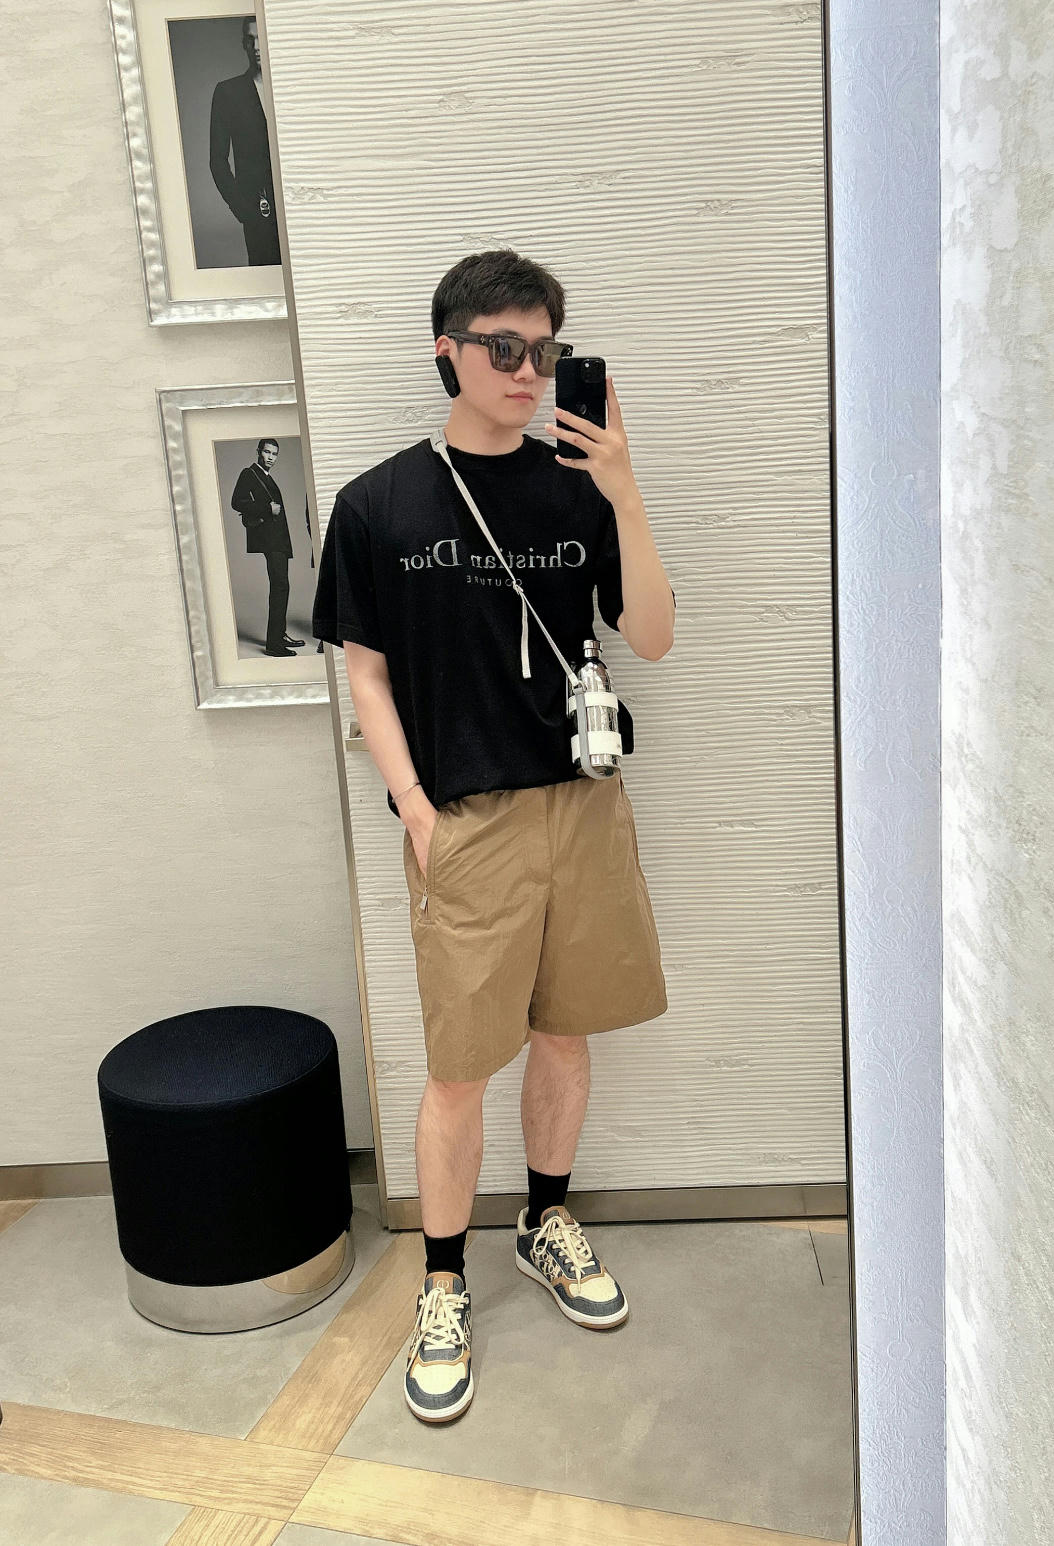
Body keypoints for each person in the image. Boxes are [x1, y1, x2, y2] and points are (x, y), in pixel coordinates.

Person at [311, 248, 676, 1424]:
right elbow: (364, 670)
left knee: (565, 1034)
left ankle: (546, 1219)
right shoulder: (378, 504)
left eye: (544, 350)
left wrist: (625, 489)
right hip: (463, 816)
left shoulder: (578, 487)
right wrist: (415, 806)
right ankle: (442, 1282)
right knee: (461, 1066)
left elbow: (653, 636)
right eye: (503, 348)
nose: (527, 371)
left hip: (582, 803)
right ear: (449, 352)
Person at [208, 17, 282, 268]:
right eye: (251, 40)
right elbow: (217, 161)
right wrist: (243, 211)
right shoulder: (228, 92)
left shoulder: (294, 87)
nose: (257, 46)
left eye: (261, 38)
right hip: (259, 212)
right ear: (244, 44)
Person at [230, 438, 302, 656]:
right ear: (258, 452)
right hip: (270, 540)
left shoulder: (266, 476)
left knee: (282, 586)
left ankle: (279, 634)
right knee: (279, 586)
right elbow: (236, 502)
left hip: (278, 540)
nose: (271, 457)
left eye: (275, 454)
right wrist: (265, 508)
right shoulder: (249, 473)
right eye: (267, 452)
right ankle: (273, 644)